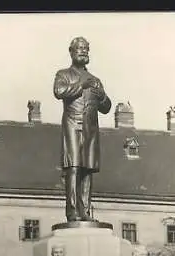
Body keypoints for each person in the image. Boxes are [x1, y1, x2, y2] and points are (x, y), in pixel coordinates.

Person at [54, 36, 112, 221]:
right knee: (73, 167)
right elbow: (59, 92)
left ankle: (85, 211)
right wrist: (81, 85)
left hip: (91, 129)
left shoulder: (96, 80)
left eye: (86, 48)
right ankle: (72, 211)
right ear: (71, 51)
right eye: (79, 48)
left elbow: (106, 107)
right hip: (73, 124)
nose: (83, 51)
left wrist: (101, 95)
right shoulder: (63, 74)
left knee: (87, 169)